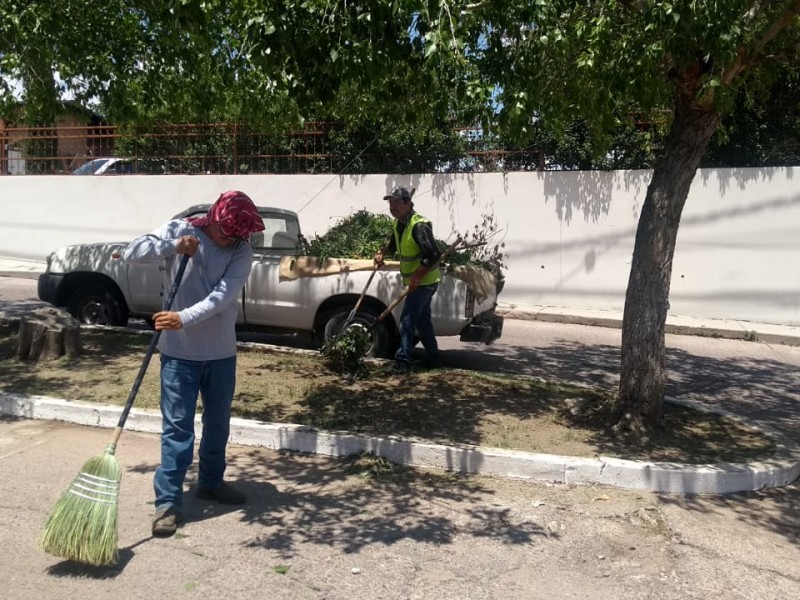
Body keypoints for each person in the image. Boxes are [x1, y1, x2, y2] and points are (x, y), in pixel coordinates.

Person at [123, 190, 265, 536]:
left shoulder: (241, 250)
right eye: (225, 232)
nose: (230, 239)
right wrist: (173, 247)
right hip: (178, 355)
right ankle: (168, 504)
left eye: (237, 234)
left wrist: (182, 317)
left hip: (220, 353)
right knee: (177, 430)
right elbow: (132, 252)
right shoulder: (180, 229)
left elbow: (223, 297)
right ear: (213, 218)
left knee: (218, 425)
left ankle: (211, 482)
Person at [374, 187, 443, 373]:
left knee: (407, 319)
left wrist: (417, 277)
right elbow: (393, 244)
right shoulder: (399, 224)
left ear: (407, 203)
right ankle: (434, 358)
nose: (392, 206)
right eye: (390, 202)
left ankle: (402, 361)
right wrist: (381, 253)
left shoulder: (419, 225)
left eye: (396, 202)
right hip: (417, 281)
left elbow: (433, 254)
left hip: (425, 282)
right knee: (422, 321)